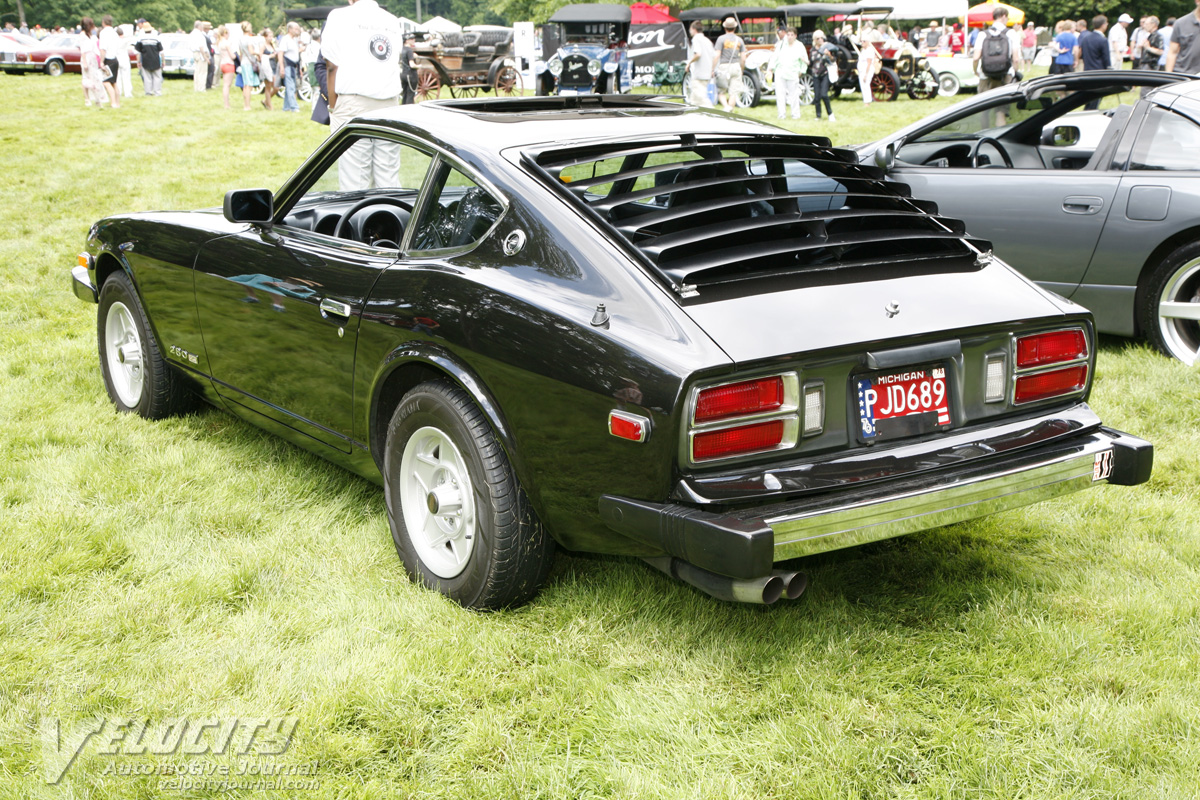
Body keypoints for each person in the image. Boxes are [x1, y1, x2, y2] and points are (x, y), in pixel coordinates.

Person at [321, 0, 405, 189]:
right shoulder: (392, 21)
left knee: (355, 179)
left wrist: (333, 108)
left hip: (354, 99)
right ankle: (390, 209)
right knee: (388, 177)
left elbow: (331, 66)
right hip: (389, 101)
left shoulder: (339, 16)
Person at [972, 6, 1022, 93]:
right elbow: (1016, 59)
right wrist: (1015, 71)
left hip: (985, 75)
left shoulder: (983, 34)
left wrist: (976, 71)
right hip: (1006, 75)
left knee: (984, 100)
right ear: (1004, 16)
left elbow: (976, 58)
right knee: (1004, 101)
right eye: (1008, 18)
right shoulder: (1011, 33)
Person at [768, 26, 808, 120]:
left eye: (792, 35)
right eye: (788, 35)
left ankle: (795, 114)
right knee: (780, 95)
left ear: (795, 36)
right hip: (780, 72)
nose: (790, 37)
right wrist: (770, 68)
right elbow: (775, 57)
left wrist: (801, 71)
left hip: (793, 73)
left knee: (794, 96)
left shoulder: (799, 46)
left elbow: (804, 60)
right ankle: (781, 114)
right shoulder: (781, 44)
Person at [713, 17, 746, 112]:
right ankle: (730, 111)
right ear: (735, 28)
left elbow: (717, 55)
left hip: (724, 66)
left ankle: (726, 106)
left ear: (725, 28)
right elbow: (743, 58)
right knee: (733, 93)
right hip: (736, 66)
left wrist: (712, 68)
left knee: (721, 91)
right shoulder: (739, 40)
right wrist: (742, 69)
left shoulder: (721, 39)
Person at [1079, 15, 1111, 109]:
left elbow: (1082, 55)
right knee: (1095, 101)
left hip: (1087, 71)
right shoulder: (1103, 40)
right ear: (1103, 25)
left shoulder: (1086, 38)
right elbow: (1106, 59)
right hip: (1099, 73)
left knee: (1088, 100)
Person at [685, 20, 715, 108]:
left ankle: (713, 112)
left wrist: (689, 62)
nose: (690, 31)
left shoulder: (696, 39)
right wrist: (712, 69)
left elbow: (698, 54)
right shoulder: (707, 40)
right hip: (707, 72)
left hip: (699, 73)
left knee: (701, 99)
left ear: (694, 29)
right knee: (694, 100)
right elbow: (714, 55)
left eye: (690, 29)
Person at [78, 17, 107, 107]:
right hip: (86, 57)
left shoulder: (91, 35)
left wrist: (100, 58)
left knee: (95, 78)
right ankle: (87, 99)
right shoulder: (82, 35)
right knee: (86, 79)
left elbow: (95, 48)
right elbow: (82, 50)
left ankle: (97, 99)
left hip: (92, 57)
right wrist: (85, 62)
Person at [1166, 0, 1200, 75]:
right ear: (1197, 1)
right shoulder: (1181, 23)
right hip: (1184, 75)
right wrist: (1168, 76)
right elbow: (1172, 53)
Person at [809, 29, 836, 122]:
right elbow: (811, 62)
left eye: (821, 38)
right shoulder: (812, 50)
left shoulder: (827, 48)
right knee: (817, 96)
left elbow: (833, 60)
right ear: (814, 40)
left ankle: (830, 113)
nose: (820, 39)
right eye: (818, 38)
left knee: (824, 94)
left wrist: (829, 55)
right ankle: (818, 115)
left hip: (824, 73)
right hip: (815, 74)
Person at [279, 21, 304, 112]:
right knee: (290, 86)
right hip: (287, 65)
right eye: (296, 29)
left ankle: (286, 107)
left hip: (294, 66)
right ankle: (294, 107)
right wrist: (282, 67)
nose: (297, 30)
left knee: (290, 86)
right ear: (290, 29)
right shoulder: (285, 39)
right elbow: (280, 53)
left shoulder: (294, 40)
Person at [97, 15, 122, 108]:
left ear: (103, 22)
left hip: (108, 59)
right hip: (115, 59)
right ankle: (117, 102)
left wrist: (101, 61)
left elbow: (103, 49)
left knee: (106, 82)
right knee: (114, 82)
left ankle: (113, 102)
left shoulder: (103, 33)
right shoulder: (115, 33)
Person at [133, 20, 163, 96]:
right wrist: (163, 61)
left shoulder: (141, 38)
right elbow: (161, 50)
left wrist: (138, 61)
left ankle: (148, 92)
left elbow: (138, 51)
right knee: (157, 77)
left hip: (145, 60)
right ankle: (157, 92)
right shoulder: (156, 37)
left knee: (147, 78)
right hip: (156, 60)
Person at [237, 20, 262, 110]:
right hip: (249, 62)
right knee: (249, 85)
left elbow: (240, 53)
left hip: (243, 62)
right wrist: (258, 53)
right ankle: (247, 105)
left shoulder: (240, 39)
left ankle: (246, 104)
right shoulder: (249, 39)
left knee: (245, 84)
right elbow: (251, 51)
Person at [856, 21, 880, 105]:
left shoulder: (869, 50)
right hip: (862, 69)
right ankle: (866, 101)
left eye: (864, 41)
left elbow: (869, 63)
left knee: (866, 85)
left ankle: (867, 101)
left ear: (867, 42)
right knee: (863, 86)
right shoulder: (863, 50)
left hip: (867, 70)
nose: (862, 43)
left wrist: (866, 74)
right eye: (862, 41)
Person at [216, 24, 236, 108]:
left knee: (225, 85)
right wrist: (236, 55)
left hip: (223, 63)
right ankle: (227, 104)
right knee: (227, 85)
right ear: (225, 33)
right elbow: (232, 56)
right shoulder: (227, 43)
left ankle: (226, 103)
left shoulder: (219, 42)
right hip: (229, 64)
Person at [259, 27, 278, 110]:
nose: (271, 38)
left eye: (272, 36)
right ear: (265, 37)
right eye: (269, 36)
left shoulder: (272, 45)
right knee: (268, 86)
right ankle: (269, 106)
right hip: (267, 67)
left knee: (276, 87)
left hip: (273, 66)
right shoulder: (263, 46)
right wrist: (270, 56)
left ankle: (266, 100)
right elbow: (260, 57)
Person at [189, 21, 209, 92]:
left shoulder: (192, 34)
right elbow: (201, 47)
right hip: (200, 53)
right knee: (202, 72)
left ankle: (196, 87)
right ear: (199, 26)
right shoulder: (199, 34)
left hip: (195, 53)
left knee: (197, 71)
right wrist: (205, 57)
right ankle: (201, 88)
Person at [400, 31, 418, 104]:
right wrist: (419, 66)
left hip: (403, 74)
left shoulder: (401, 49)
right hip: (411, 75)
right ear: (407, 41)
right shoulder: (409, 50)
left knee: (405, 95)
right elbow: (412, 64)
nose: (414, 40)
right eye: (411, 39)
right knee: (410, 96)